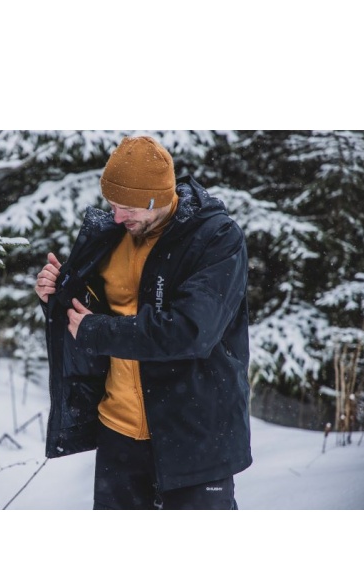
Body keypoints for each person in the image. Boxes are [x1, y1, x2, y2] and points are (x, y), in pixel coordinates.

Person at [35, 135, 252, 510]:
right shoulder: (111, 234)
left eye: (128, 207)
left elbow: (190, 331)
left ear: (157, 199)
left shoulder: (215, 238)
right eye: (112, 205)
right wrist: (56, 295)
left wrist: (97, 332)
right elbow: (91, 311)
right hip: (118, 432)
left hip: (195, 435)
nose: (117, 217)